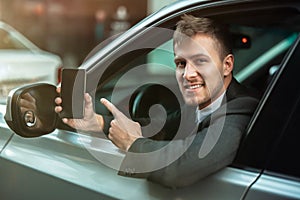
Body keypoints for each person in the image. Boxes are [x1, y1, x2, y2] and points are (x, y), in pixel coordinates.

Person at [55, 15, 259, 188]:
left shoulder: (241, 110)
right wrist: (97, 122)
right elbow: (156, 128)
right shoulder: (199, 105)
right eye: (181, 63)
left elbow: (181, 169)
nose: (188, 74)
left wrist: (133, 144)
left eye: (200, 61)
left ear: (227, 65)